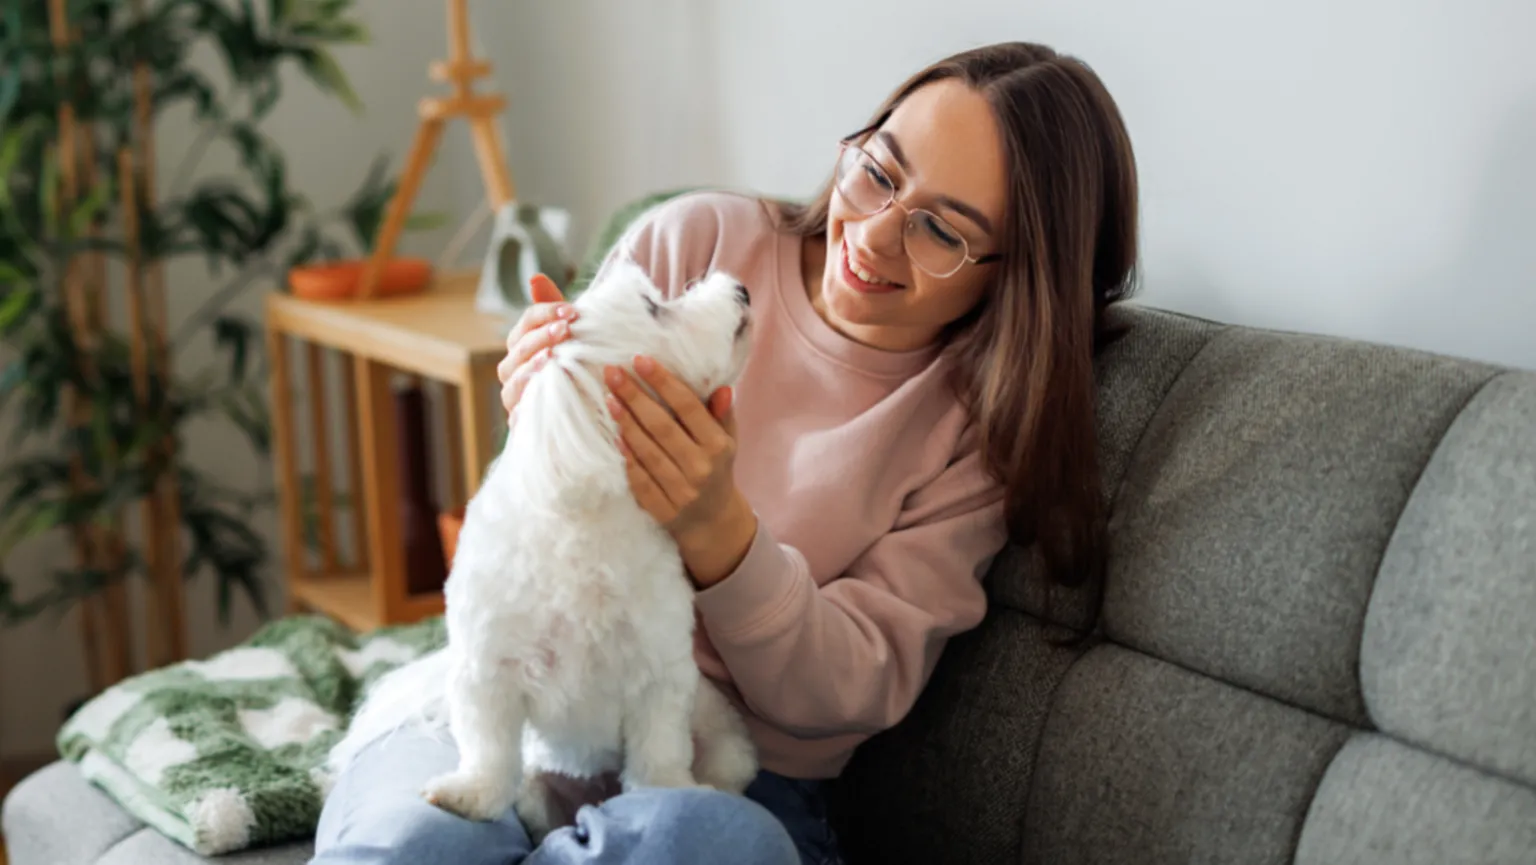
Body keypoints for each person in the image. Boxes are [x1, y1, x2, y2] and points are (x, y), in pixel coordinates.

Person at [310, 40, 1138, 865]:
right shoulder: (699, 239)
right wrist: (540, 396)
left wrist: (720, 532)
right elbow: (548, 497)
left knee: (697, 838)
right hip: (526, 707)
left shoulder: (972, 432)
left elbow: (855, 687)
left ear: (1014, 272)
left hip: (725, 774)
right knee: (413, 839)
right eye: (879, 172)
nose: (877, 235)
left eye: (941, 231)